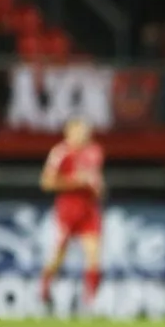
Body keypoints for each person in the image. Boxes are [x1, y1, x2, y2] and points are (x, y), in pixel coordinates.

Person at [39, 118, 104, 307]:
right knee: (58, 255)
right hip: (68, 209)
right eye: (79, 131)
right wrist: (75, 181)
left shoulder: (95, 151)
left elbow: (97, 180)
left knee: (94, 256)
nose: (83, 135)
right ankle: (44, 288)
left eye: (85, 131)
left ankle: (91, 301)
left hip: (89, 209)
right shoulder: (60, 153)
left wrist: (98, 188)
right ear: (69, 132)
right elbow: (46, 182)